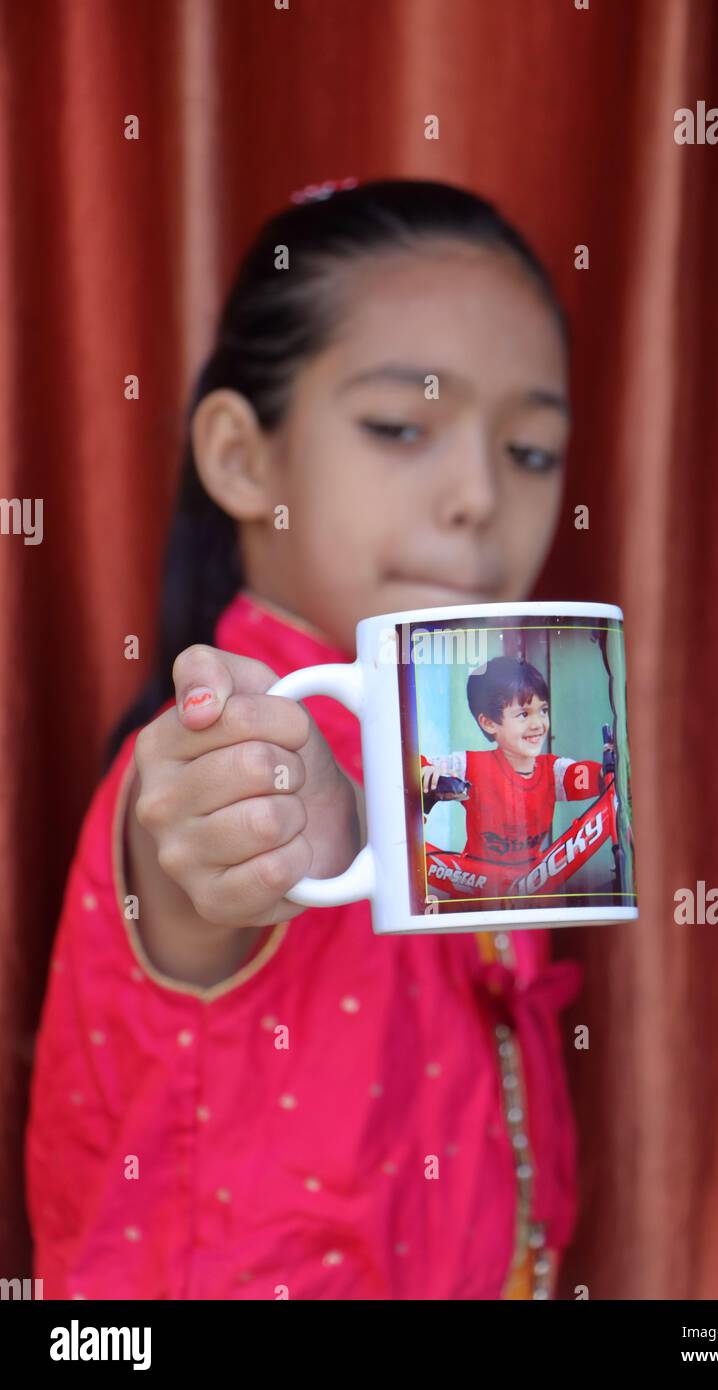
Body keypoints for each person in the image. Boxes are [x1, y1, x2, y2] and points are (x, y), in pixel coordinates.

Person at [25, 177, 584, 1301]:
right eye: (399, 426)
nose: (477, 493)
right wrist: (295, 820)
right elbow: (208, 843)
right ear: (241, 458)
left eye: (528, 451)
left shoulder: (492, 737)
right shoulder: (224, 747)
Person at [421, 654, 609, 868]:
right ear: (489, 723)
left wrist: (608, 771)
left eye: (543, 711)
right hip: (478, 887)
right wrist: (426, 770)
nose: (538, 723)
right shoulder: (470, 765)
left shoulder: (554, 771)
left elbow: (585, 777)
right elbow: (417, 764)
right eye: (523, 714)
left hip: (529, 884)